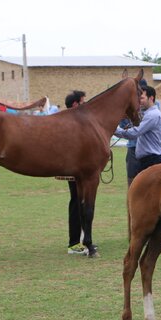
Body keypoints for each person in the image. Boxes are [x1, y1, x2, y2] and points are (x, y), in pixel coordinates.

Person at [59, 90, 92, 256]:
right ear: (75, 105)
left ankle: (82, 239)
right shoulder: (71, 122)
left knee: (80, 202)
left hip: (75, 169)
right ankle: (74, 242)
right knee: (76, 202)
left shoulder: (68, 120)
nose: (85, 105)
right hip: (75, 170)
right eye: (82, 102)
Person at [114, 85, 161, 175]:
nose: (139, 101)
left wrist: (114, 130)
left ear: (151, 98)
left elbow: (135, 133)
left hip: (150, 161)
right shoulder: (152, 114)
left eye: (141, 98)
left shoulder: (152, 115)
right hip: (151, 160)